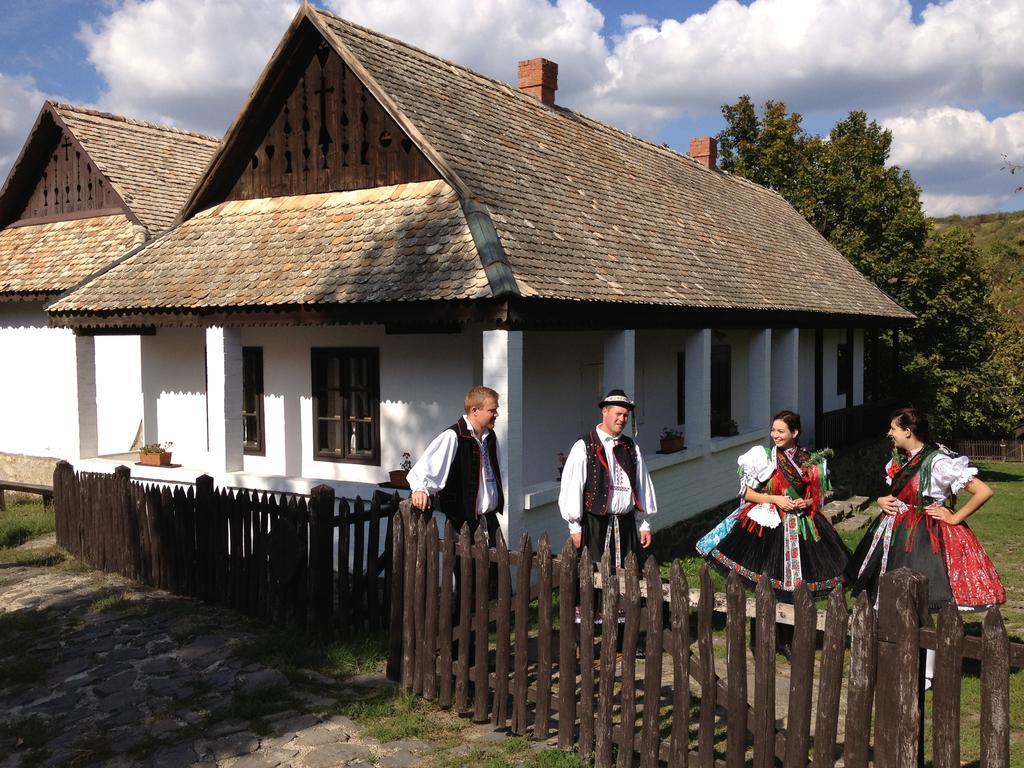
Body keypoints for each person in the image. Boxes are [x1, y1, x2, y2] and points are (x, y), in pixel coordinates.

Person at [847, 406, 1004, 617]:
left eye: (893, 428)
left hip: (922, 535)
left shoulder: (937, 462)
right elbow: (900, 492)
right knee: (892, 591)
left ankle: (923, 646)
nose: (889, 433)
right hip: (895, 529)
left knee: (919, 594)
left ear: (907, 431)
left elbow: (983, 491)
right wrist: (881, 499)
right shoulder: (903, 458)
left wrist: (955, 516)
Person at [696, 410, 850, 622]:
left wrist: (804, 502)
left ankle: (789, 630)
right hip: (770, 524)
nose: (775, 435)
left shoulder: (810, 460)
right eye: (773, 430)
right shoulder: (764, 457)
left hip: (801, 525)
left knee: (796, 583)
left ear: (794, 432)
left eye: (781, 431)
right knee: (768, 579)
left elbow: (817, 498)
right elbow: (747, 493)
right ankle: (763, 630)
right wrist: (776, 500)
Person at [559, 389, 656, 569]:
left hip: (626, 525)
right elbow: (573, 488)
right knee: (594, 578)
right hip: (595, 525)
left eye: (626, 415)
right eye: (618, 414)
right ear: (605, 411)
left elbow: (642, 484)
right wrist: (575, 527)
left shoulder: (631, 447)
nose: (622, 419)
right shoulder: (584, 446)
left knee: (628, 578)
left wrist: (644, 523)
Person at [407, 385, 503, 544]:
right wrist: (420, 488)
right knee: (466, 569)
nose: (496, 414)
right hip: (463, 526)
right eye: (492, 410)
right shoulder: (453, 436)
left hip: (490, 522)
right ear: (475, 410)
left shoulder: (490, 437)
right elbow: (425, 467)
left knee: (495, 569)